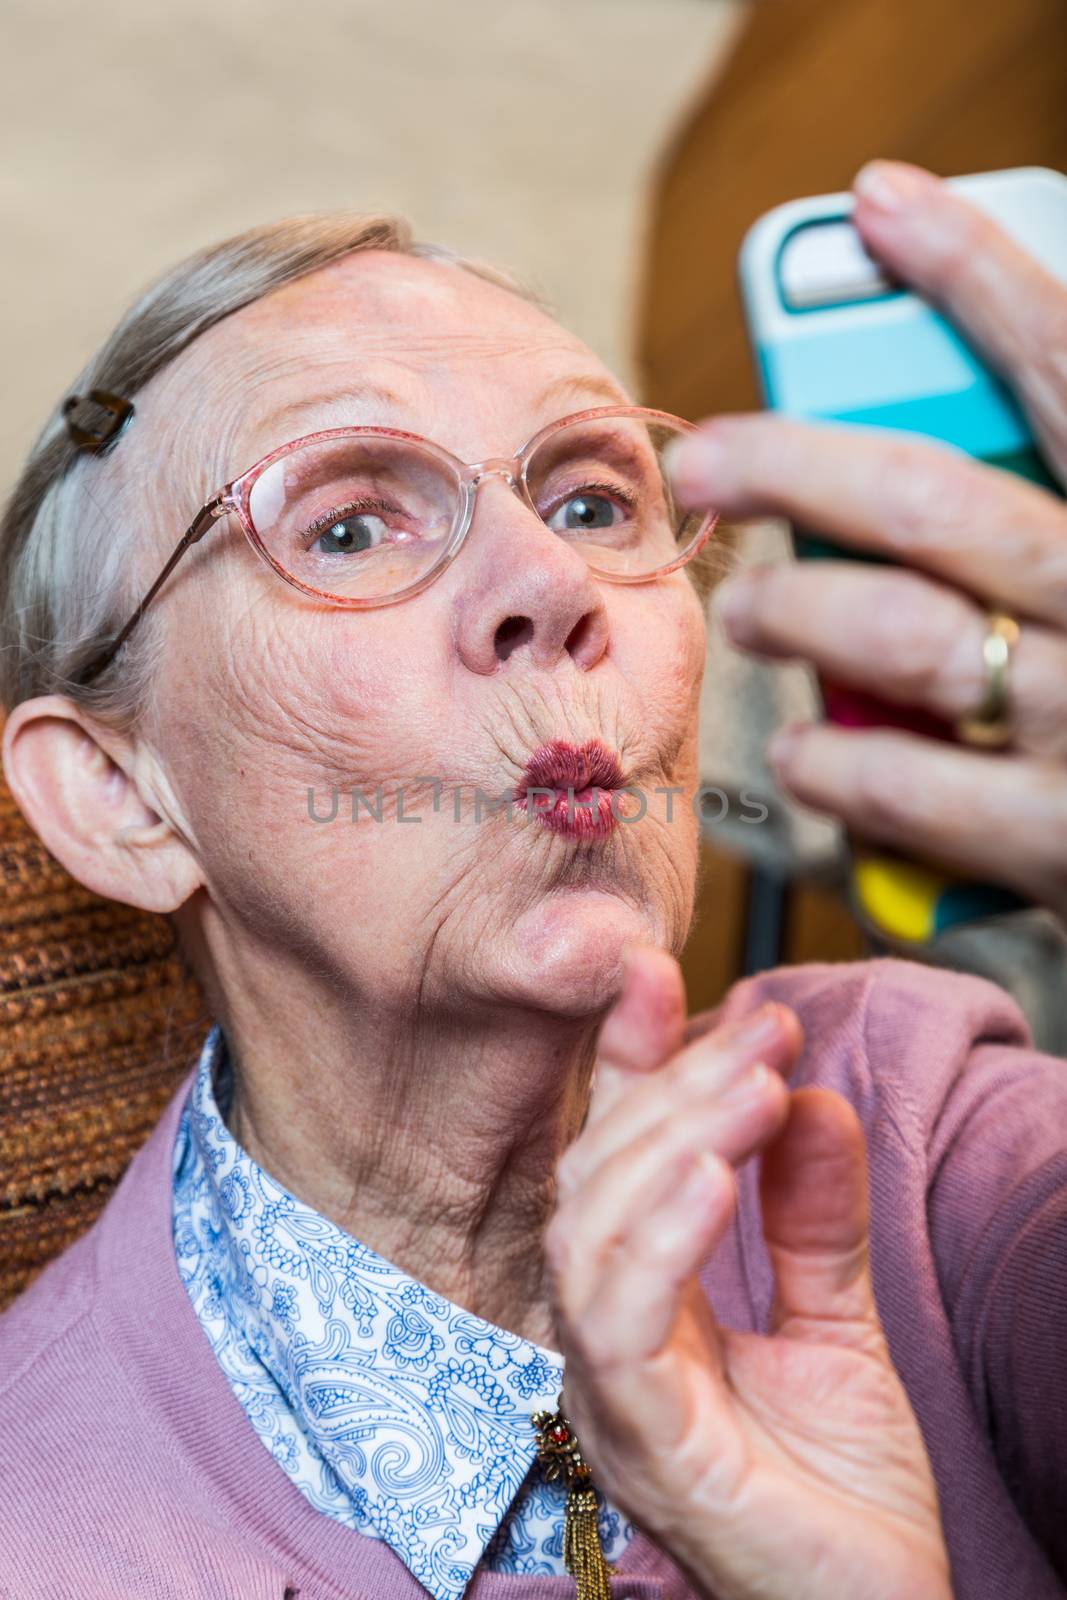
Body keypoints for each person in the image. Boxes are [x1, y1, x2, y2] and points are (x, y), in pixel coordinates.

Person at [0, 171, 1063, 1600]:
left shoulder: (919, 1132)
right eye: (349, 526)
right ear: (121, 799)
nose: (551, 577)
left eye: (593, 496)